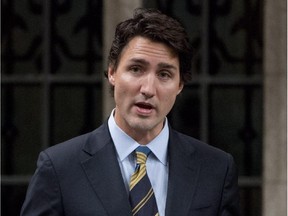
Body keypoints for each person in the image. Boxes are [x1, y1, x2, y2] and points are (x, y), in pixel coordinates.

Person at [21, 8, 240, 216]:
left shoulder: (216, 170)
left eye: (164, 74)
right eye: (136, 69)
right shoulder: (59, 169)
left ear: (180, 84)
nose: (148, 89)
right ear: (112, 72)